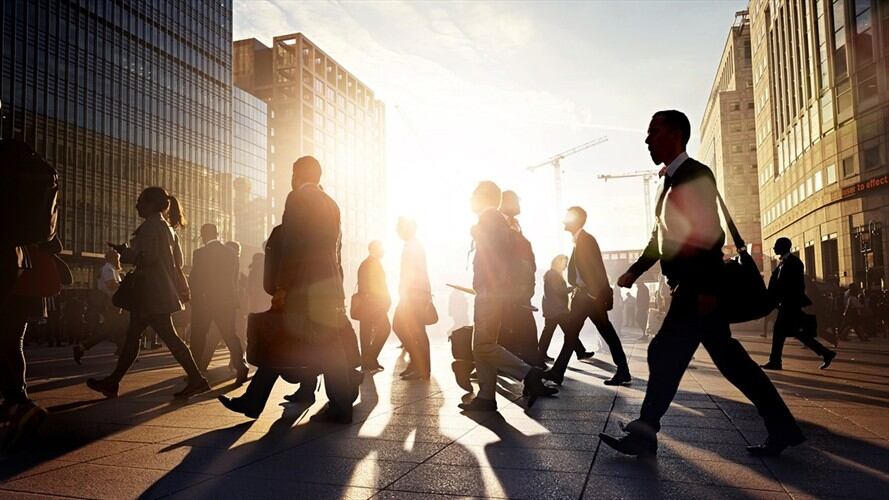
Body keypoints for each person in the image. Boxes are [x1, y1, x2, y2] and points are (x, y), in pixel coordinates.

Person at [600, 110, 804, 458]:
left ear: (676, 134)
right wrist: (635, 271)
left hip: (697, 288)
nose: (647, 140)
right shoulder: (667, 183)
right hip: (690, 287)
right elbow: (659, 240)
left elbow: (709, 233)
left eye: (654, 132)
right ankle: (782, 427)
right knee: (729, 360)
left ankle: (645, 432)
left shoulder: (695, 174)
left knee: (664, 353)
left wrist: (708, 288)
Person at [218, 156, 356, 423]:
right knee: (329, 347)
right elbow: (336, 251)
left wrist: (282, 286)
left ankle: (254, 401)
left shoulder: (297, 198)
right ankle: (339, 406)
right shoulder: (331, 203)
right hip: (328, 285)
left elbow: (292, 246)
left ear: (297, 174)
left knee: (282, 340)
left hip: (303, 286)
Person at [86, 187, 210, 399]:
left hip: (150, 292)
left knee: (164, 337)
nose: (137, 206)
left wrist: (125, 252)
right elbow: (178, 262)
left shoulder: (151, 227)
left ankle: (196, 379)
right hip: (157, 291)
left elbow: (147, 257)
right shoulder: (168, 228)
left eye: (140, 202)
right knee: (134, 336)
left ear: (151, 204)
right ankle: (113, 381)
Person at [458, 181, 556, 412]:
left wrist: (490, 287)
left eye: (473, 195)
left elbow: (496, 258)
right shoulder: (494, 220)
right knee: (482, 345)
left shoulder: (489, 219)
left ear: (483, 197)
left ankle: (529, 374)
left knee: (483, 345)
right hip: (492, 291)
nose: (470, 199)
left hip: (490, 293)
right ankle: (486, 396)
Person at [543, 207, 631, 386]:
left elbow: (597, 268)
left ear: (576, 220)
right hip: (583, 298)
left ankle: (623, 370)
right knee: (573, 335)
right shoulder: (579, 241)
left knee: (605, 333)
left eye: (567, 217)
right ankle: (558, 372)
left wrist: (593, 294)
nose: (564, 220)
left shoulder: (586, 240)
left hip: (589, 299)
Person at [761, 238, 836, 371]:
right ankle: (826, 353)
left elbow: (796, 285)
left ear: (784, 247)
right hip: (786, 304)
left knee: (780, 332)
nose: (774, 248)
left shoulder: (794, 263)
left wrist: (783, 298)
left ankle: (775, 361)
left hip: (790, 304)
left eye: (776, 245)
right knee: (795, 333)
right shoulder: (782, 263)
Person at [188, 224, 249, 383]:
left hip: (205, 301)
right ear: (217, 234)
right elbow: (234, 279)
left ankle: (195, 372)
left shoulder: (200, 253)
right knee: (230, 335)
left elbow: (196, 279)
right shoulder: (230, 253)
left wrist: (195, 299)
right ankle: (241, 365)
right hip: (226, 300)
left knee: (199, 336)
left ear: (203, 235)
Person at [497, 191, 544, 367]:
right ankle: (527, 365)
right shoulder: (499, 225)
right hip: (508, 289)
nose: (519, 206)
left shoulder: (515, 224)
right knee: (511, 327)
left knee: (520, 326)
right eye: (516, 201)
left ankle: (532, 364)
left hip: (520, 288)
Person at [393, 217, 432, 381]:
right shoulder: (411, 245)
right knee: (411, 329)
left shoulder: (413, 246)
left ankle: (421, 366)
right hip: (413, 293)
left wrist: (406, 293)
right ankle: (417, 363)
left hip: (414, 293)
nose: (397, 231)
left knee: (409, 328)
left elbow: (414, 273)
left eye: (399, 228)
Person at [73, 249, 126, 364]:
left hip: (113, 303)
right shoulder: (108, 269)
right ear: (113, 258)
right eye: (117, 258)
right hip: (111, 303)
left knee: (117, 329)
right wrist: (124, 284)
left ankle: (124, 351)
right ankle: (82, 347)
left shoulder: (110, 269)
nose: (119, 260)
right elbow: (111, 285)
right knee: (110, 330)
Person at [538, 254, 594, 362]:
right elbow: (559, 291)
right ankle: (580, 352)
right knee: (569, 331)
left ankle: (541, 354)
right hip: (557, 310)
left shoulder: (551, 274)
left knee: (550, 332)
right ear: (558, 263)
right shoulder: (554, 275)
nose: (566, 266)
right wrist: (573, 288)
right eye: (565, 263)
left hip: (552, 309)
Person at [356, 240, 392, 372]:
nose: (383, 251)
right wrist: (383, 301)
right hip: (373, 305)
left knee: (366, 333)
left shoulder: (369, 263)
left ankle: (368, 362)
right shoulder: (371, 263)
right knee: (384, 329)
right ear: (374, 249)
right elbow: (377, 286)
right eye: (381, 248)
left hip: (369, 305)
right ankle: (369, 359)